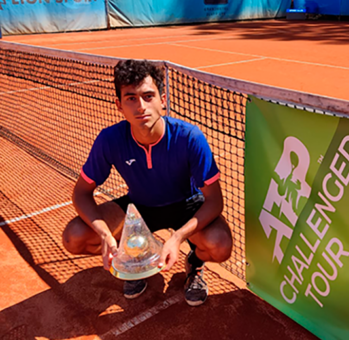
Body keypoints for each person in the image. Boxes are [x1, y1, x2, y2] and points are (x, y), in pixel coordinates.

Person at [62, 59, 233, 306]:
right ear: (119, 105)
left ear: (162, 100)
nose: (141, 106)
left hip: (185, 205)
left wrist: (177, 239)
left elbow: (215, 201)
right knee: (74, 237)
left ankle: (194, 263)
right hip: (138, 207)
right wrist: (107, 236)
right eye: (131, 98)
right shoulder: (110, 140)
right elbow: (81, 194)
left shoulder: (189, 137)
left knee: (220, 245)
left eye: (148, 96)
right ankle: (134, 261)